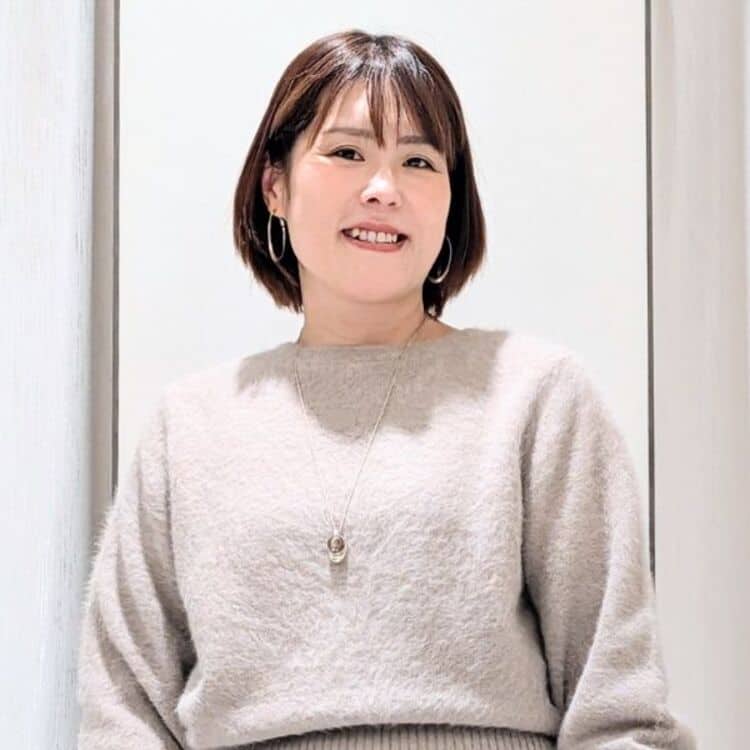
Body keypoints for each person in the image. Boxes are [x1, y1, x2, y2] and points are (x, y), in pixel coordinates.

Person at [76, 29, 696, 750]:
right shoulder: (190, 425)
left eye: (418, 162)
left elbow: (618, 710)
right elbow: (123, 711)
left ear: (451, 201)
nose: (383, 189)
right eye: (347, 153)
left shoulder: (537, 396)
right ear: (275, 185)